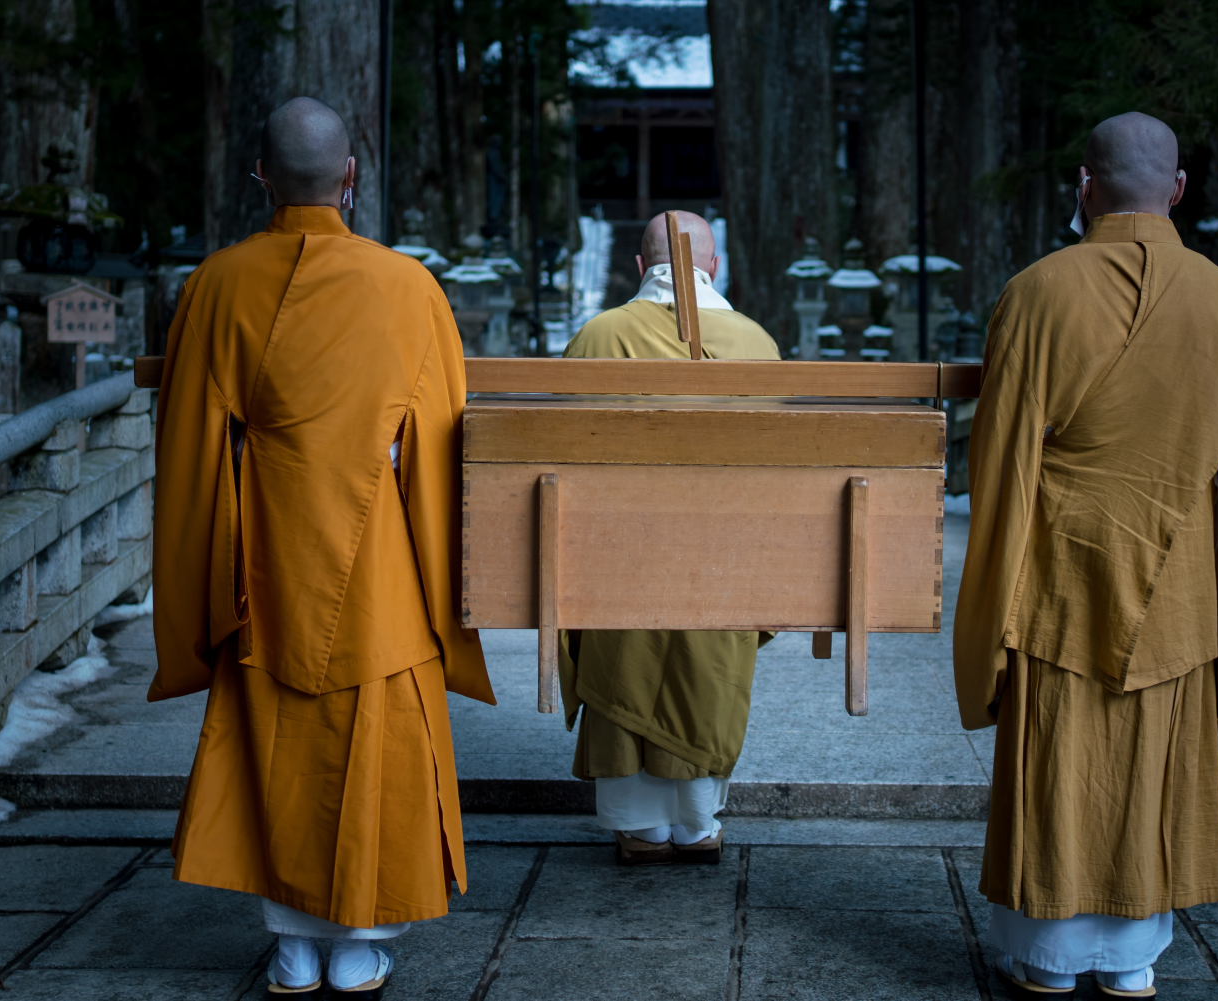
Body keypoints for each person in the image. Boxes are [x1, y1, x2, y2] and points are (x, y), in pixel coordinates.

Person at [150, 96, 493, 999]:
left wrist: (198, 584)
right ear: (351, 176)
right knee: (372, 738)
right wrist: (452, 584)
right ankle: (358, 945)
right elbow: (446, 447)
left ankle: (293, 945)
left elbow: (186, 451)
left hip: (264, 557)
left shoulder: (216, 284)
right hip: (379, 560)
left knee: (276, 738)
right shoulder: (407, 286)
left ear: (261, 175)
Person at [953, 111, 1218, 999]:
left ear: (1083, 189)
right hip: (1176, 592)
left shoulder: (1039, 292)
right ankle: (1131, 959)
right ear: (1177, 190)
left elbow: (1002, 467)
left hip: (1060, 579)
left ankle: (1045, 957)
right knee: (1146, 774)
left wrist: (987, 619)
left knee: (1060, 763)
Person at [560, 211, 779, 865]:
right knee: (709, 651)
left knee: (620, 617)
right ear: (712, 268)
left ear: (637, 268)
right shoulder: (755, 343)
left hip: (617, 570)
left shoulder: (599, 337)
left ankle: (641, 826)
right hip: (722, 575)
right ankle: (696, 821)